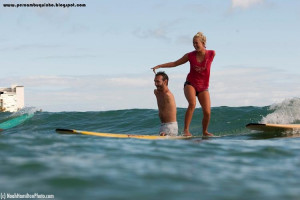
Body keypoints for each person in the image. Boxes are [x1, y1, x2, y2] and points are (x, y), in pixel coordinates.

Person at [151, 32, 215, 136]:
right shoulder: (190, 55)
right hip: (190, 83)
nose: (194, 45)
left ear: (203, 43)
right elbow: (175, 63)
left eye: (196, 43)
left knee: (207, 112)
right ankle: (186, 130)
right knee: (192, 103)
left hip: (203, 87)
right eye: (193, 43)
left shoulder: (211, 54)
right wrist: (159, 66)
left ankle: (205, 131)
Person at [154, 71, 178, 136]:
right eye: (155, 81)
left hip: (171, 126)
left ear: (165, 82)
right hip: (162, 125)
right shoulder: (156, 92)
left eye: (158, 81)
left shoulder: (168, 95)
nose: (156, 84)